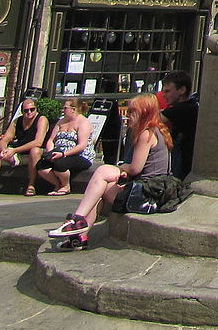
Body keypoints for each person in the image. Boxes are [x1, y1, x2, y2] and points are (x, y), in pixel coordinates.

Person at [48, 93, 172, 238]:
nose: (128, 115)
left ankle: (78, 221)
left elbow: (135, 168)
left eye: (133, 112)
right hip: (150, 190)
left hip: (147, 195)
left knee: (101, 175)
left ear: (144, 113)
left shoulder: (147, 134)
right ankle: (80, 235)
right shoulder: (157, 130)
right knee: (98, 187)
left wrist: (122, 168)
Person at [0, 97, 49, 196]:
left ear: (36, 109)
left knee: (35, 151)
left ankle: (31, 185)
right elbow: (5, 139)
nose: (29, 112)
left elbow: (38, 142)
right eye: (26, 110)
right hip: (18, 152)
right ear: (22, 112)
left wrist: (14, 150)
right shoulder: (17, 121)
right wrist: (4, 151)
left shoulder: (41, 119)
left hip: (34, 152)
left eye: (32, 109)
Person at [37, 97, 93, 196]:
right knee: (41, 165)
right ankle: (57, 184)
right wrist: (50, 152)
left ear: (73, 109)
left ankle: (65, 186)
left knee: (60, 165)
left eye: (65, 108)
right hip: (58, 152)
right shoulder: (61, 121)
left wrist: (63, 154)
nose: (63, 110)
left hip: (79, 155)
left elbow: (81, 146)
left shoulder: (83, 122)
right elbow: (51, 140)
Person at [158, 71, 200, 179]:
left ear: (182, 90)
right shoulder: (190, 105)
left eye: (167, 91)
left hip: (184, 160)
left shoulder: (183, 108)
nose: (164, 95)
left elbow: (152, 120)